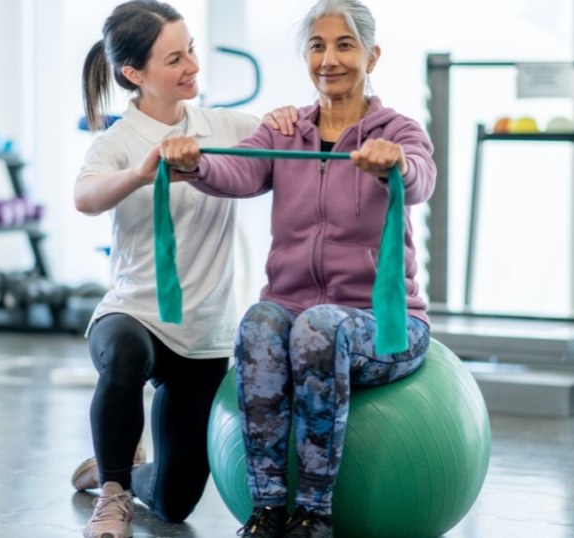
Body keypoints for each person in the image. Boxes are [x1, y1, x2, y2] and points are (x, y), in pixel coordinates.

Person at [158, 0, 435, 536]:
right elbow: (235, 168)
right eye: (317, 45)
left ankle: (314, 515)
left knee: (316, 328)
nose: (329, 58)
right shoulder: (284, 131)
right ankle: (266, 510)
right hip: (296, 316)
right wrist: (194, 162)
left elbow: (422, 177)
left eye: (344, 45)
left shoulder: (398, 130)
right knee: (262, 321)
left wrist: (395, 163)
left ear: (372, 56)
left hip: (384, 327)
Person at [71, 2, 295, 537]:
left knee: (174, 503)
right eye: (175, 58)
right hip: (135, 314)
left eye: (191, 48)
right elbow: (84, 197)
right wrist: (139, 174)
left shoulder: (223, 126)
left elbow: (287, 139)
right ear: (134, 74)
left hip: (203, 334)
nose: (193, 64)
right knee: (123, 355)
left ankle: (113, 468)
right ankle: (113, 494)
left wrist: (289, 119)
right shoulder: (117, 142)